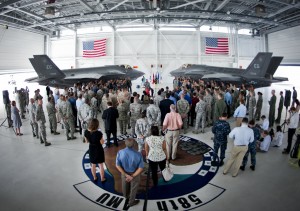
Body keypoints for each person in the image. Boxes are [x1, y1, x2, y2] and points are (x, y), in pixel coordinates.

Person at [116, 138, 144, 207]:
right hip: (134, 173)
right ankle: (131, 202)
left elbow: (118, 165)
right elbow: (140, 168)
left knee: (124, 185)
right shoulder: (138, 154)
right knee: (133, 188)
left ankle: (126, 196)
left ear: (125, 144)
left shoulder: (120, 152)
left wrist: (126, 174)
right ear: (134, 144)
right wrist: (132, 176)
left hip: (124, 173)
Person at [84, 119, 106, 183]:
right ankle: (102, 178)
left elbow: (86, 141)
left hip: (91, 149)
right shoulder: (99, 133)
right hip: (99, 149)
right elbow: (102, 142)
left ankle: (94, 177)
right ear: (97, 125)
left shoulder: (86, 132)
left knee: (93, 164)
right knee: (101, 165)